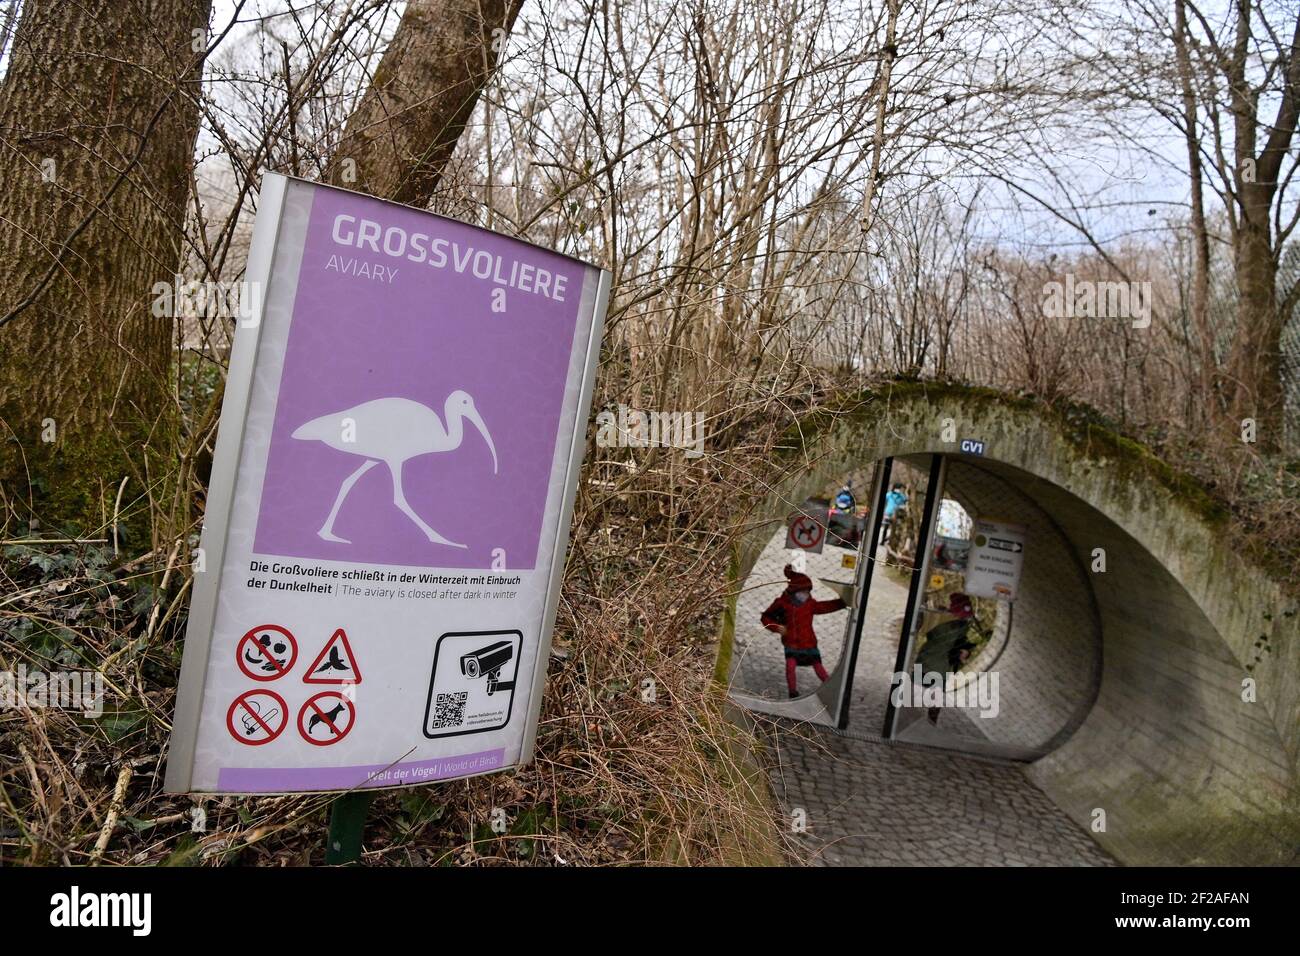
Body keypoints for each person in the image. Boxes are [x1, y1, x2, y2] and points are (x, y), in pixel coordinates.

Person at [760, 565, 847, 698]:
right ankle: (792, 692)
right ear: (795, 590)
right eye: (804, 591)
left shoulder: (809, 604)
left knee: (818, 667)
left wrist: (841, 603)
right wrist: (776, 627)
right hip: (791, 643)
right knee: (790, 667)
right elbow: (766, 617)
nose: (807, 594)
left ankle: (830, 687)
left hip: (809, 643)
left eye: (808, 591)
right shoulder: (782, 603)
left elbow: (824, 607)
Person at [913, 592, 977, 724]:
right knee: (934, 693)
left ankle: (915, 716)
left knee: (918, 687)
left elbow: (928, 631)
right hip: (938, 666)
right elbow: (959, 642)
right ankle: (931, 720)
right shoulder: (958, 625)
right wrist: (965, 650)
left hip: (928, 661)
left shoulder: (941, 620)